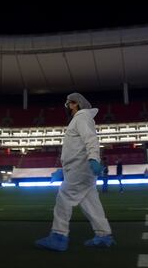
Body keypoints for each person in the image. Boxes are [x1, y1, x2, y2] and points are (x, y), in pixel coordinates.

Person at [35, 93, 115, 251]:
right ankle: (104, 235)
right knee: (90, 202)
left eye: (67, 103)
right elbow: (75, 149)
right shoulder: (81, 119)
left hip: (80, 168)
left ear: (74, 104)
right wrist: (63, 170)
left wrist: (93, 158)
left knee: (63, 197)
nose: (66, 106)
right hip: (81, 169)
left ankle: (59, 235)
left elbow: (91, 139)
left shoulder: (81, 117)